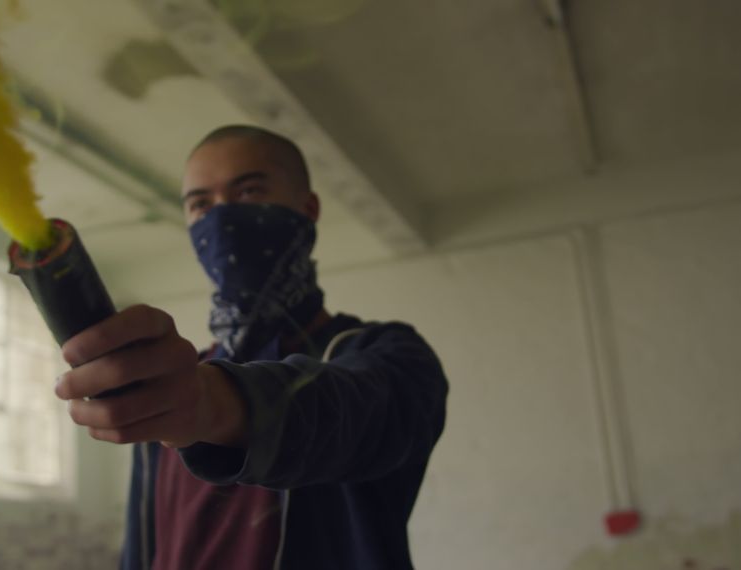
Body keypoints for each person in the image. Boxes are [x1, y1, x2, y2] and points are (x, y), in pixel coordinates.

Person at [52, 125, 449, 570]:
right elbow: (144, 546)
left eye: (249, 191)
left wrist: (217, 405)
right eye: (200, 204)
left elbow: (358, 415)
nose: (221, 220)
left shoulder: (389, 355)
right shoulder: (171, 384)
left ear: (308, 207)